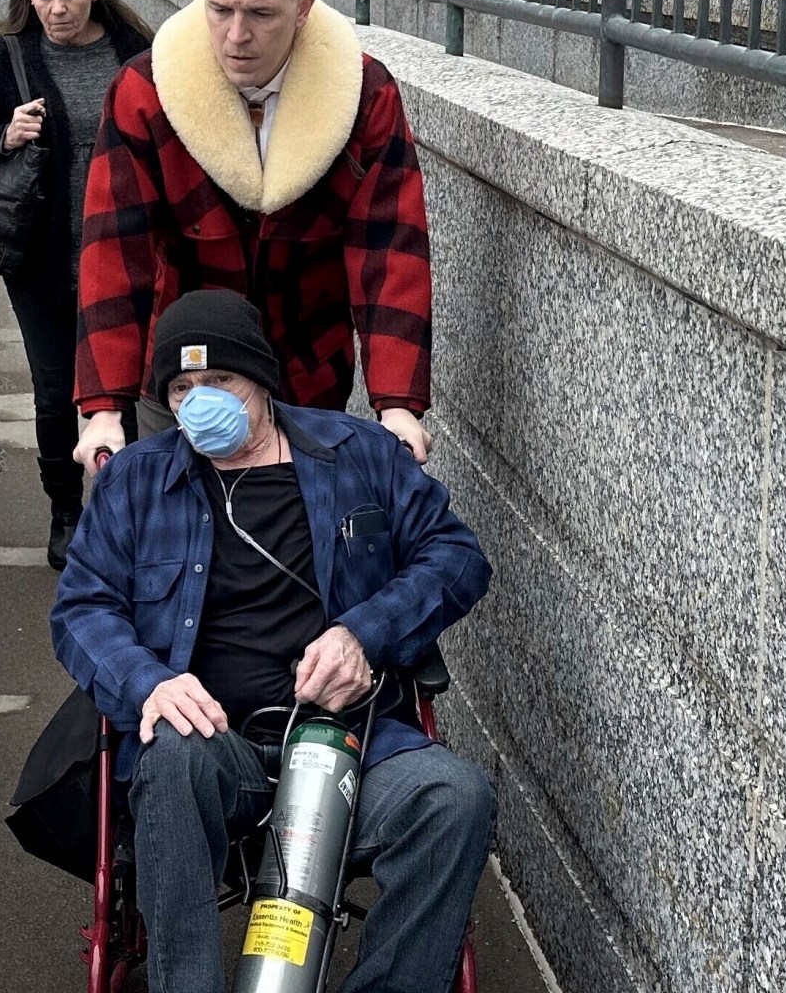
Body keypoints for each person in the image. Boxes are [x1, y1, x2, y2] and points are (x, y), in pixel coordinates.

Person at [51, 290, 494, 993]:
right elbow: (81, 609)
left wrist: (364, 635)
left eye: (219, 382)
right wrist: (149, 683)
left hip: (349, 740)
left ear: (260, 380)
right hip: (213, 746)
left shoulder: (360, 455)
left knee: (455, 797)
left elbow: (458, 558)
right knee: (169, 758)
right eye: (182, 388)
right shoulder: (136, 482)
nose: (200, 403)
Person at [73, 0, 433, 469]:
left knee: (301, 542)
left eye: (261, 15)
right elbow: (115, 252)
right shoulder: (145, 92)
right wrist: (103, 408)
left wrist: (397, 404)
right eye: (219, 10)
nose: (236, 35)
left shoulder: (364, 94)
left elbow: (389, 251)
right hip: (180, 374)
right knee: (159, 535)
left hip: (307, 372)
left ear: (303, 9)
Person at [0, 0, 154, 568]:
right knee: (57, 389)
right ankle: (66, 512)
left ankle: (127, 516)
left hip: (123, 254)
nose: (57, 9)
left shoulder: (136, 52)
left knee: (121, 388)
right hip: (41, 258)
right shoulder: (5, 58)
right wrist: (4, 134)